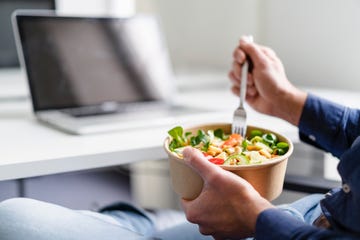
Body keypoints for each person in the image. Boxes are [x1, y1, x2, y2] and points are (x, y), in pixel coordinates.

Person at [0, 36, 359, 239]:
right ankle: (143, 221)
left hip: (289, 232)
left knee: (13, 219)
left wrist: (254, 217)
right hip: (311, 212)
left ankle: (140, 220)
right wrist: (288, 101)